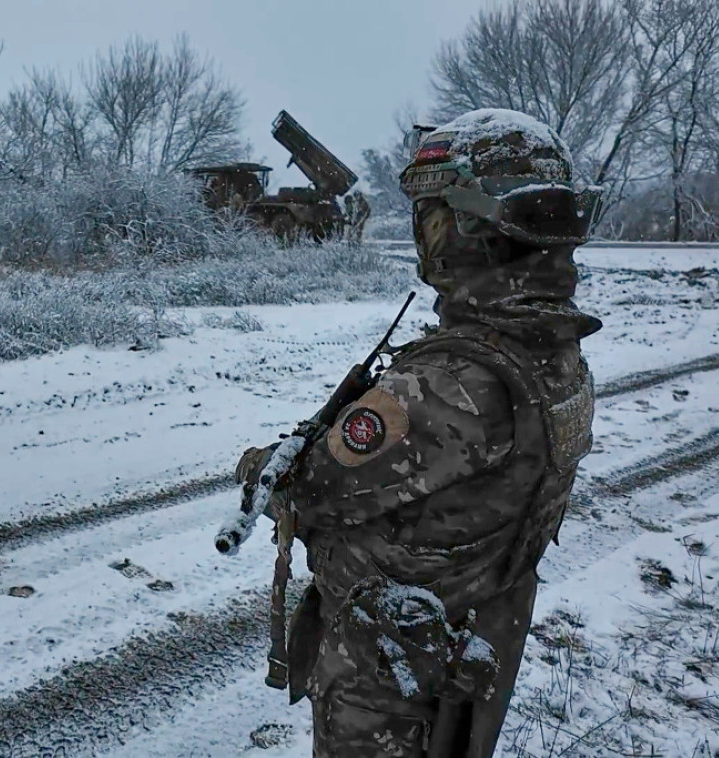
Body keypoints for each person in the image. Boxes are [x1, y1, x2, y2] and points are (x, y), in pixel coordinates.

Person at [235, 108, 602, 757]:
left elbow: (310, 489)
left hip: (389, 690)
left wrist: (263, 462)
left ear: (468, 225)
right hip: (467, 651)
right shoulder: (555, 352)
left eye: (429, 214)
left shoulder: (449, 385)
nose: (421, 233)